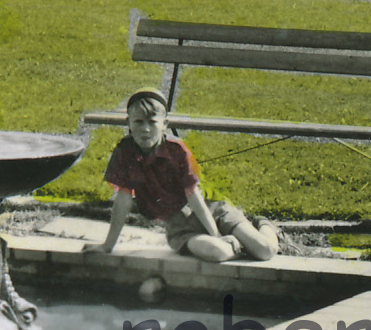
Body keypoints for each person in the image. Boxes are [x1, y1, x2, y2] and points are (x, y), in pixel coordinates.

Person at [85, 89, 279, 263]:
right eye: (138, 122)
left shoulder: (176, 150)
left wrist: (216, 234)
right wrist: (107, 246)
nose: (145, 129)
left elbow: (193, 196)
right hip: (181, 227)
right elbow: (123, 200)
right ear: (128, 122)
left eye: (152, 122)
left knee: (266, 250)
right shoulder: (124, 152)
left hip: (214, 210)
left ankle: (262, 224)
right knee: (217, 252)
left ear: (164, 124)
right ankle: (238, 244)